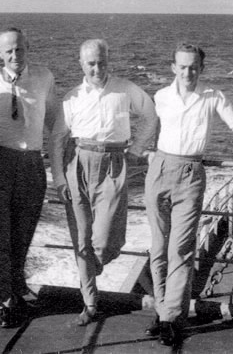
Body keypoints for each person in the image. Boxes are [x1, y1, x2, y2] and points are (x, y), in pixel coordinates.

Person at [144, 42, 233, 346]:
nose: (188, 72)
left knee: (180, 250)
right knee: (157, 249)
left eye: (194, 67)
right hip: (159, 170)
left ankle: (171, 319)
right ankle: (162, 309)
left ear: (202, 68)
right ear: (173, 68)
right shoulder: (160, 96)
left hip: (190, 175)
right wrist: (142, 151)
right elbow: (147, 127)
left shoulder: (213, 97)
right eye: (182, 66)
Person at [50, 39, 157, 326]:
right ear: (81, 64)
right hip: (78, 163)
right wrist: (59, 177)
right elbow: (58, 139)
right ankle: (90, 303)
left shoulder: (125, 89)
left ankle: (92, 268)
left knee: (108, 240)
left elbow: (150, 114)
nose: (97, 68)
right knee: (81, 239)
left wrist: (136, 149)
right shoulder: (72, 97)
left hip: (113, 163)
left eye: (101, 62)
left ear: (108, 60)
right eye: (90, 63)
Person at [0, 27, 59, 328]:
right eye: (8, 51)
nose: (15, 55)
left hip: (32, 164)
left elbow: (56, 122)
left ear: (27, 47)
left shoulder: (44, 78)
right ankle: (4, 300)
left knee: (22, 234)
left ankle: (17, 287)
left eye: (19, 49)